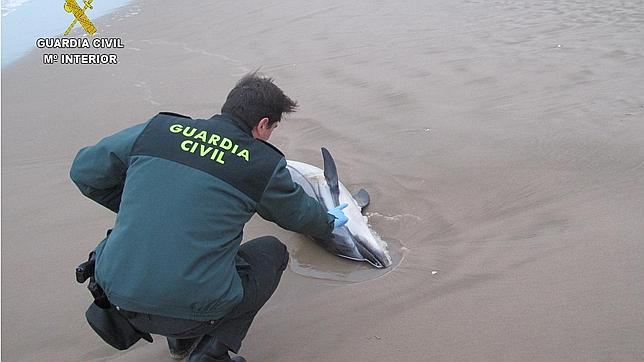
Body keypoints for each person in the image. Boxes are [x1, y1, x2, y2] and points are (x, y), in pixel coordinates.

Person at [70, 72, 349, 362]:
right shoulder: (259, 163)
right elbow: (298, 214)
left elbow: (84, 171)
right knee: (272, 253)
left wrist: (134, 204)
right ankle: (211, 352)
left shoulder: (158, 130)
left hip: (115, 294)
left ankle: (181, 344)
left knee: (173, 250)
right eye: (272, 128)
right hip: (189, 306)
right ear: (263, 124)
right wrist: (328, 222)